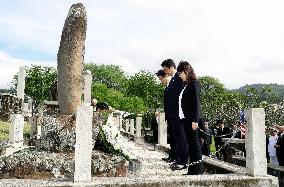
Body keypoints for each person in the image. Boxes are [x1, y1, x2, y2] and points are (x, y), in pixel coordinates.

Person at [177, 61, 203, 175]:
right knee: (191, 145)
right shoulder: (186, 85)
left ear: (186, 71)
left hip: (192, 120)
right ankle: (192, 170)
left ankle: (198, 171)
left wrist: (195, 120)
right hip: (186, 119)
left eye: (180, 73)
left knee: (195, 145)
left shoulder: (194, 84)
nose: (179, 75)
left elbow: (196, 103)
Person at [161, 59, 187, 169]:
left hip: (178, 114)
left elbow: (180, 97)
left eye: (166, 69)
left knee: (181, 138)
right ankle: (178, 159)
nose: (165, 72)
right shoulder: (172, 79)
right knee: (176, 138)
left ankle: (183, 161)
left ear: (171, 67)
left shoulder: (178, 78)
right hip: (173, 114)